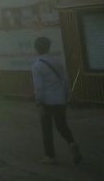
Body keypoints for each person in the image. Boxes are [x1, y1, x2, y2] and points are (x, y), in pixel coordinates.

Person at [31, 36, 82, 165]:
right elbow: (65, 80)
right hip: (60, 100)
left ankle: (50, 156)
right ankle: (72, 143)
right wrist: (66, 95)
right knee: (62, 125)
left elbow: (38, 86)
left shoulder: (37, 65)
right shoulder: (57, 61)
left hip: (46, 101)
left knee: (46, 128)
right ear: (48, 47)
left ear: (36, 49)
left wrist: (38, 101)